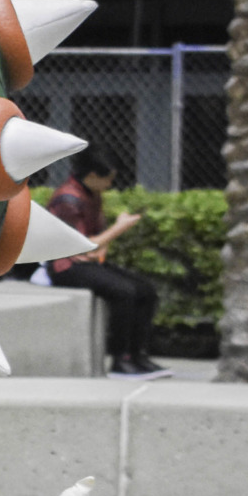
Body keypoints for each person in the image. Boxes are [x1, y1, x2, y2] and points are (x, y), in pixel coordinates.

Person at [45, 144, 167, 379]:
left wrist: (100, 247)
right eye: (108, 179)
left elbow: (96, 238)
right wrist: (119, 228)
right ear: (92, 175)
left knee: (146, 290)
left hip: (86, 262)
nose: (110, 184)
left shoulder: (92, 193)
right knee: (124, 292)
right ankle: (121, 360)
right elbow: (82, 245)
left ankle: (138, 355)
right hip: (65, 267)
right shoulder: (67, 199)